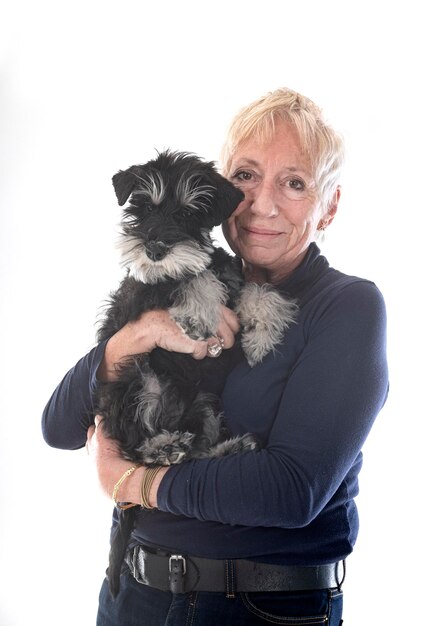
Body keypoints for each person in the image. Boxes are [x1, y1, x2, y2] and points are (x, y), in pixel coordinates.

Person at [42, 88, 389, 625]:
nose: (261, 204)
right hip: (131, 593)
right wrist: (135, 338)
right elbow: (57, 427)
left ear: (329, 207)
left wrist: (131, 481)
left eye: (294, 183)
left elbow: (292, 492)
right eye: (246, 176)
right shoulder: (177, 282)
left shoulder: (347, 307)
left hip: (260, 608)